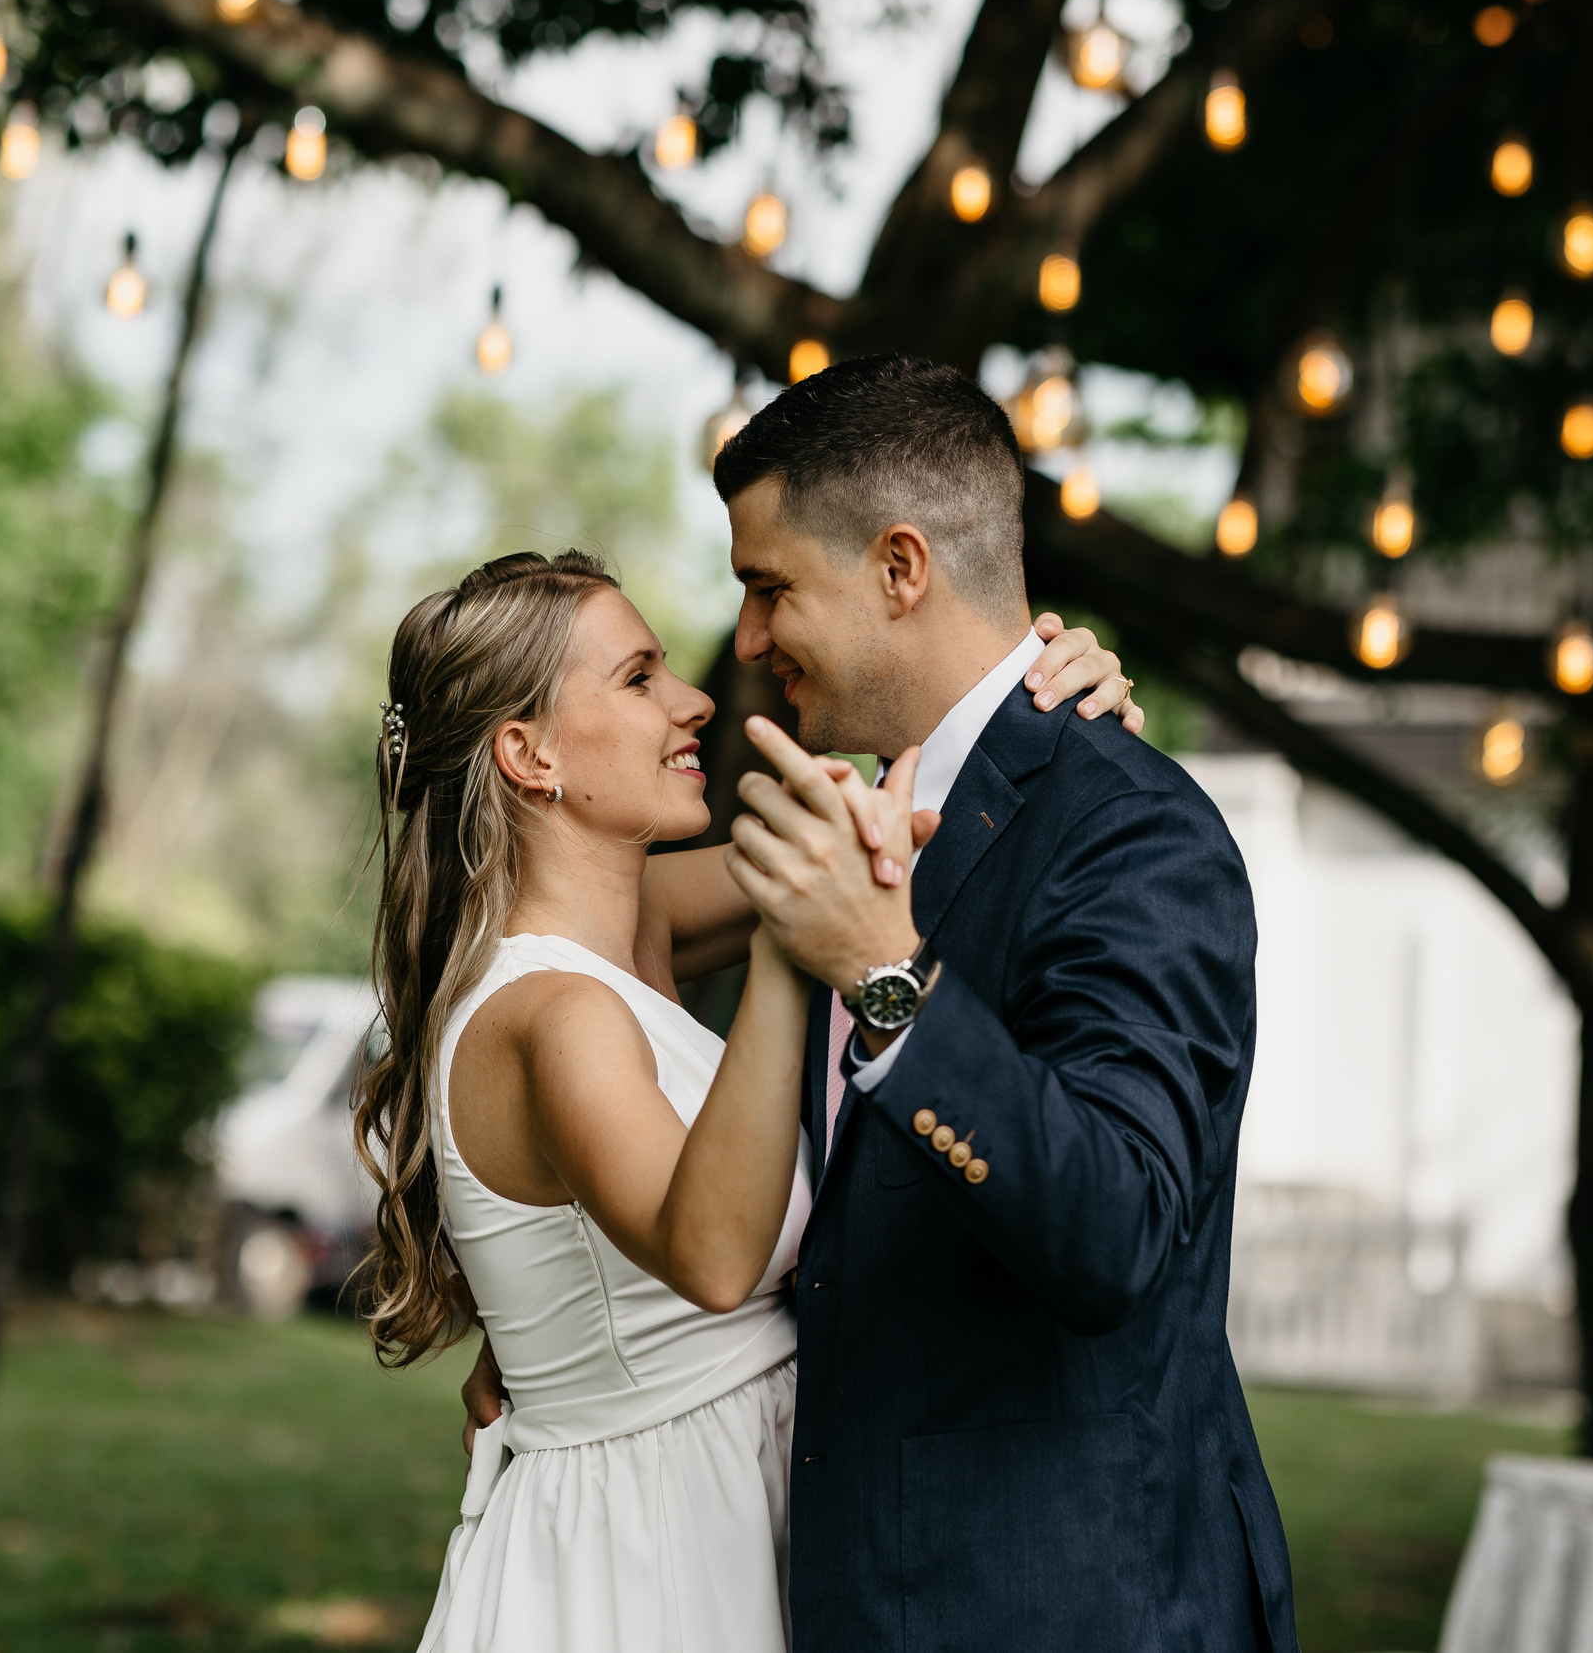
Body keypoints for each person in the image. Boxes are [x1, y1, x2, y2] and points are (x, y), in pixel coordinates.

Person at [357, 550, 1141, 1653]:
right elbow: (715, 1258)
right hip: (650, 1555)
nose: (692, 702)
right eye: (637, 679)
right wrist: (790, 941)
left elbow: (897, 824)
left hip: (748, 1494)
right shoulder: (550, 1015)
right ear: (527, 754)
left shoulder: (636, 925)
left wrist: (1043, 689)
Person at [691, 352, 1293, 1652]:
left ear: (901, 567)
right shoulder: (858, 830)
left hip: (1070, 1606)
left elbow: (1119, 1220)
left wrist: (888, 978)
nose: (746, 640)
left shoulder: (1130, 825)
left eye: (768, 588)